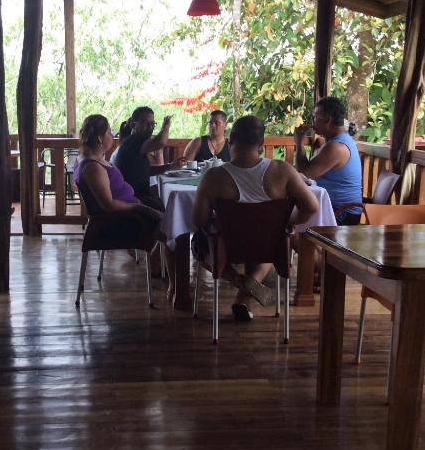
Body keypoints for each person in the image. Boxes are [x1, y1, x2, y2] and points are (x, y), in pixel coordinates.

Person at [193, 115, 319, 320]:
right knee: (273, 236)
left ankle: (238, 280)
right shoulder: (282, 170)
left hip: (228, 247)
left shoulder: (213, 177)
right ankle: (246, 290)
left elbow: (198, 221)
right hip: (269, 246)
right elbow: (312, 206)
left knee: (199, 243)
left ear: (231, 138)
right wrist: (288, 221)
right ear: (261, 143)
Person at [74, 114, 177, 295]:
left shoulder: (94, 160)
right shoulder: (92, 167)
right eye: (108, 132)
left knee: (170, 221)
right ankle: (177, 287)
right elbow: (108, 205)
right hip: (118, 222)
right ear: (99, 138)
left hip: (126, 214)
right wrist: (140, 207)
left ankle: (168, 275)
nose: (111, 136)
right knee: (173, 226)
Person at [294, 96, 363, 225]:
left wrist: (299, 142)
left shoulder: (336, 147)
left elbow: (303, 173)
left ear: (328, 120)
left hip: (343, 213)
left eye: (315, 116)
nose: (313, 121)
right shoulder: (339, 140)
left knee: (291, 218)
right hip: (336, 208)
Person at [114, 106, 185, 203]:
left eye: (152, 124)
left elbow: (146, 170)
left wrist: (170, 166)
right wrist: (166, 126)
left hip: (139, 196)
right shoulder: (134, 142)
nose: (150, 127)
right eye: (146, 123)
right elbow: (160, 142)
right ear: (134, 125)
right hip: (133, 200)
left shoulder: (134, 142)